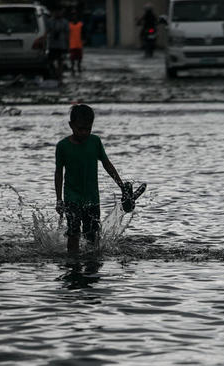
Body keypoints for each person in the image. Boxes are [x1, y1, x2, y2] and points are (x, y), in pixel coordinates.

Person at [55, 104, 126, 254]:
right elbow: (59, 173)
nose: (84, 132)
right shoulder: (62, 146)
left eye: (88, 128)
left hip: (92, 197)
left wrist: (122, 186)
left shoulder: (95, 142)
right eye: (80, 128)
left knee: (92, 234)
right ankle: (73, 261)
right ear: (71, 125)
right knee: (73, 232)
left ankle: (92, 263)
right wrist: (59, 199)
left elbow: (107, 164)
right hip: (71, 197)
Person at [47, 8, 69, 81]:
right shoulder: (50, 21)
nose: (58, 14)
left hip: (61, 45)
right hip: (52, 45)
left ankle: (59, 75)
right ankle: (55, 73)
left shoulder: (64, 22)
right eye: (56, 12)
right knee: (50, 61)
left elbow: (67, 34)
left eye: (59, 12)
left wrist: (67, 46)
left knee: (60, 61)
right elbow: (46, 32)